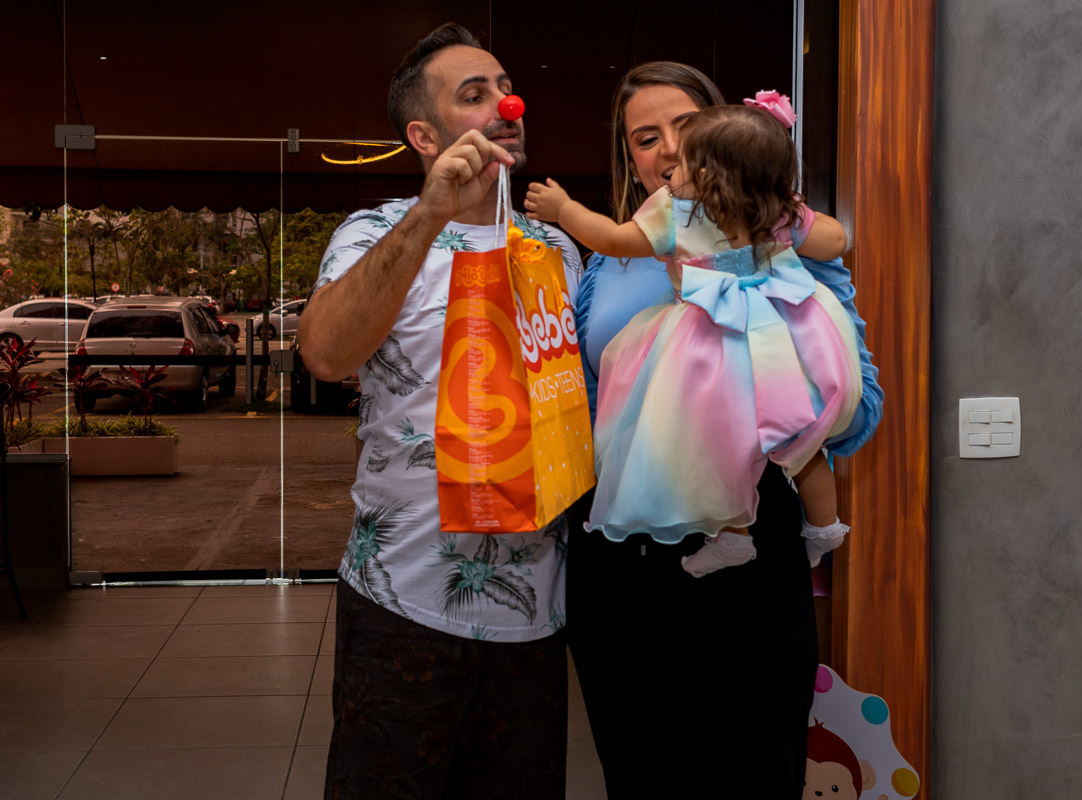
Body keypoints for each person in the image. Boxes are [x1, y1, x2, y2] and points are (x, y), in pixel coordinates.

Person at [553, 62, 884, 798]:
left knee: (755, 770)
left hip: (749, 548)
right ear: (630, 159)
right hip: (623, 557)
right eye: (646, 138)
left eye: (685, 126)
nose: (669, 149)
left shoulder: (781, 237)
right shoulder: (606, 263)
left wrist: (772, 400)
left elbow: (857, 408)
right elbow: (585, 407)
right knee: (642, 773)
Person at [297, 22, 583, 800]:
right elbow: (324, 354)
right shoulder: (373, 232)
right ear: (425, 136)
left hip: (536, 604)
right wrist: (428, 217)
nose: (506, 105)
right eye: (475, 94)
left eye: (506, 88)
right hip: (405, 594)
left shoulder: (558, 249)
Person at [525, 97, 861, 578]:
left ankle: (733, 536)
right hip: (775, 343)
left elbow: (611, 239)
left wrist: (565, 210)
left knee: (715, 443)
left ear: (707, 173)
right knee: (801, 444)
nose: (672, 164)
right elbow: (834, 241)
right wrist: (793, 210)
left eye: (684, 157)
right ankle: (825, 526)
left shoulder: (677, 214)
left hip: (710, 346)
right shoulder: (771, 208)